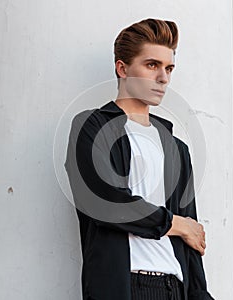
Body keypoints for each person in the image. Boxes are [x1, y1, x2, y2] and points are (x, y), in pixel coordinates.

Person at [65, 18, 214, 300]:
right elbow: (105, 202)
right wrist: (176, 224)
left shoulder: (175, 147)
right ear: (122, 68)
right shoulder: (92, 127)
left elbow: (192, 239)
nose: (163, 78)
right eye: (151, 65)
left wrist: (200, 294)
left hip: (175, 288)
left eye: (168, 68)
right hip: (127, 287)